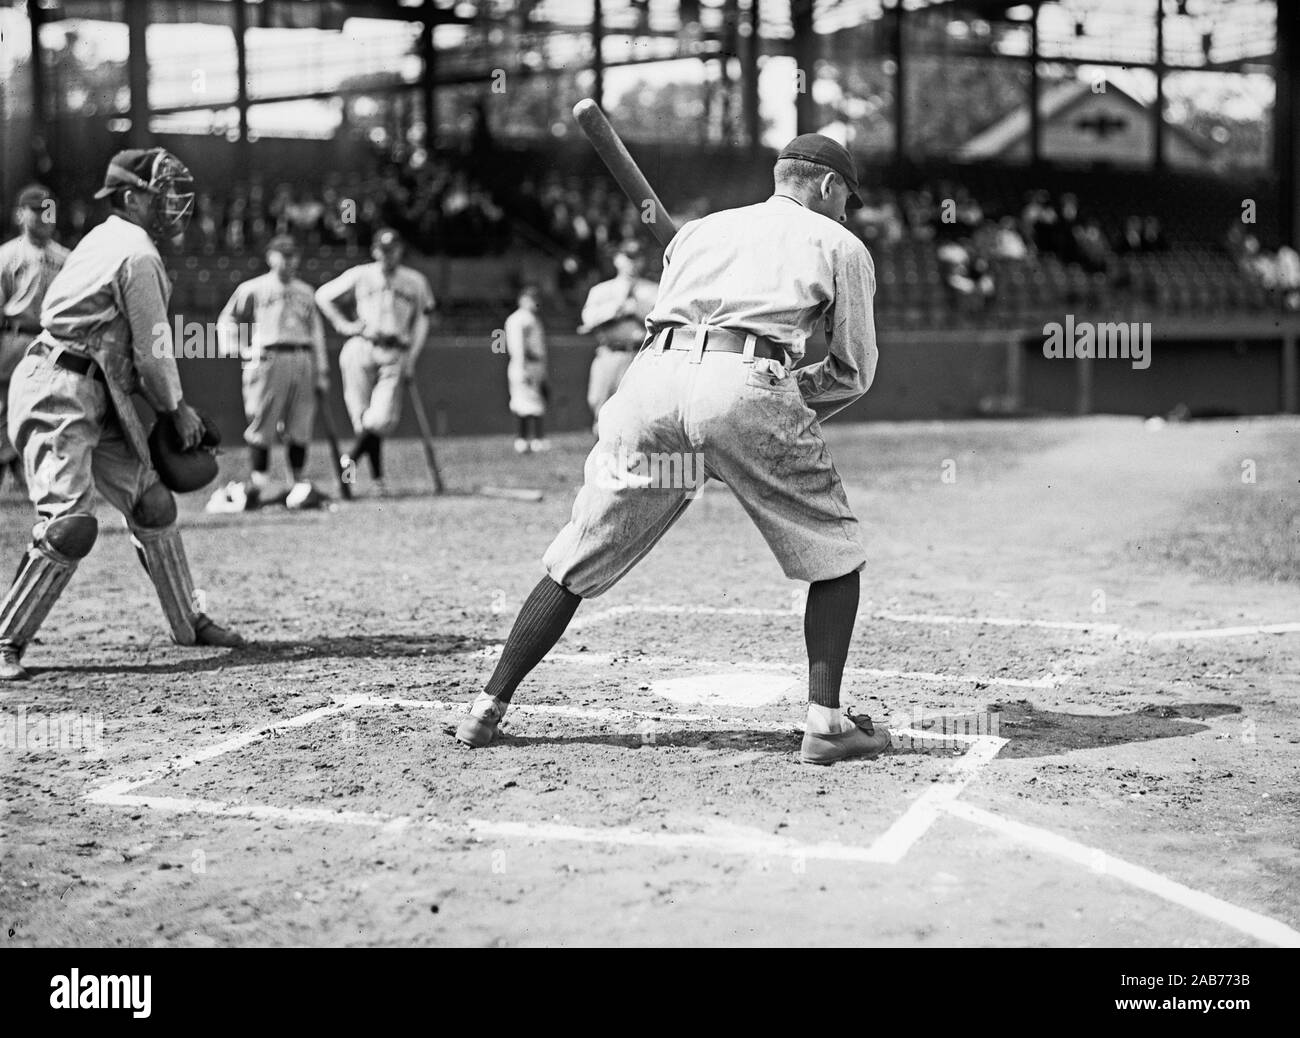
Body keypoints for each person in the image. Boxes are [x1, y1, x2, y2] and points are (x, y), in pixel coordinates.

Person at [453, 133, 890, 765]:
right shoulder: (840, 244)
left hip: (649, 384)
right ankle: (826, 722)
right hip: (745, 382)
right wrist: (782, 392)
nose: (847, 210)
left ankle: (486, 708)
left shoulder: (698, 232)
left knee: (580, 550)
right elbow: (853, 370)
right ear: (825, 185)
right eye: (846, 197)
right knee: (835, 551)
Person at [0, 148, 244, 681]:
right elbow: (153, 351)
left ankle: (188, 622)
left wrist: (171, 406)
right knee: (69, 525)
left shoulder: (107, 238)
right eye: (162, 193)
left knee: (152, 503)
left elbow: (123, 351)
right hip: (58, 388)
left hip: (90, 383)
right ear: (132, 197)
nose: (173, 204)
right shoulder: (137, 253)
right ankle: (5, 639)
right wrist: (176, 411)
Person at [314, 228, 435, 496]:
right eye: (383, 249)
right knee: (362, 419)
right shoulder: (361, 274)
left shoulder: (415, 281)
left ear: (400, 250)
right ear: (375, 250)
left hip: (395, 350)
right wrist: (343, 324)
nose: (388, 254)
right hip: (362, 345)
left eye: (392, 249)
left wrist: (412, 357)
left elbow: (422, 321)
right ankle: (379, 481)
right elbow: (323, 295)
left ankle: (349, 462)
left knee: (379, 418)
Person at [216, 235, 328, 509]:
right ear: (271, 257)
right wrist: (241, 349)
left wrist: (321, 370)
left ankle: (297, 486)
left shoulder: (306, 291)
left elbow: (317, 333)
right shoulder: (253, 287)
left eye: (293, 255)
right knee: (262, 422)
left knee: (300, 425)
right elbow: (228, 318)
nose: (289, 260)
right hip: (268, 356)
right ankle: (260, 486)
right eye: (283, 254)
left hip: (301, 356)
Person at [1, 184, 70, 492]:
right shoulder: (7, 254)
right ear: (20, 214)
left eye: (50, 212)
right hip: (13, 338)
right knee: (5, 410)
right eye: (37, 211)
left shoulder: (66, 257)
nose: (45, 218)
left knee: (47, 412)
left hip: (50, 342)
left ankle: (33, 477)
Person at [578, 238, 658, 434]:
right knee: (599, 403)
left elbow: (662, 320)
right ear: (617, 259)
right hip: (610, 352)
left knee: (639, 411)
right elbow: (587, 319)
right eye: (628, 257)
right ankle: (603, 458)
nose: (633, 263)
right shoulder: (602, 290)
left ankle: (634, 460)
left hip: (641, 354)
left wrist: (636, 309)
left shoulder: (653, 289)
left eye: (637, 257)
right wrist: (616, 309)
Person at [504, 284, 548, 453]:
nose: (535, 302)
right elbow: (517, 346)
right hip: (525, 364)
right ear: (522, 300)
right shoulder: (519, 319)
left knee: (535, 401)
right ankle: (524, 439)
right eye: (531, 299)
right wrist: (522, 368)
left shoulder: (533, 318)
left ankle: (535, 439)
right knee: (524, 403)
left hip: (536, 364)